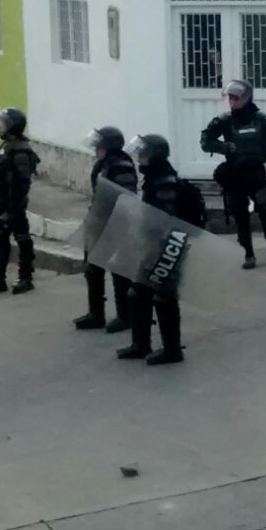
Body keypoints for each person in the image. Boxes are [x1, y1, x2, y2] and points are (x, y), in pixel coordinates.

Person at [201, 79, 266, 269]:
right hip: (235, 175)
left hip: (256, 174)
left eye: (236, 98)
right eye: (230, 98)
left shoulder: (260, 120)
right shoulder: (224, 121)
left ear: (247, 98)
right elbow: (205, 141)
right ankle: (248, 254)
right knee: (240, 214)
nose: (232, 102)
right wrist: (222, 147)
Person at [118, 134, 186, 365]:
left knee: (164, 296)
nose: (140, 159)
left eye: (144, 155)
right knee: (137, 293)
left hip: (169, 245)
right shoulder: (153, 178)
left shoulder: (165, 181)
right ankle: (140, 344)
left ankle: (172, 350)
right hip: (152, 245)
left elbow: (165, 219)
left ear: (155, 157)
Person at [74, 126, 139, 333]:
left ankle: (125, 315)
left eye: (99, 145)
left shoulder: (121, 165)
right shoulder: (103, 164)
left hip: (117, 223)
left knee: (119, 270)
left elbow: (123, 196)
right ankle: (96, 314)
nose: (96, 148)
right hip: (99, 222)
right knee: (93, 268)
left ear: (110, 147)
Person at [0, 107, 39, 296]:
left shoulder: (20, 151)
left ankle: (26, 279)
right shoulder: (7, 147)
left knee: (22, 239)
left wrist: (11, 210)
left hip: (14, 205)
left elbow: (22, 184)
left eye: (3, 124)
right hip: (3, 202)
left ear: (13, 128)